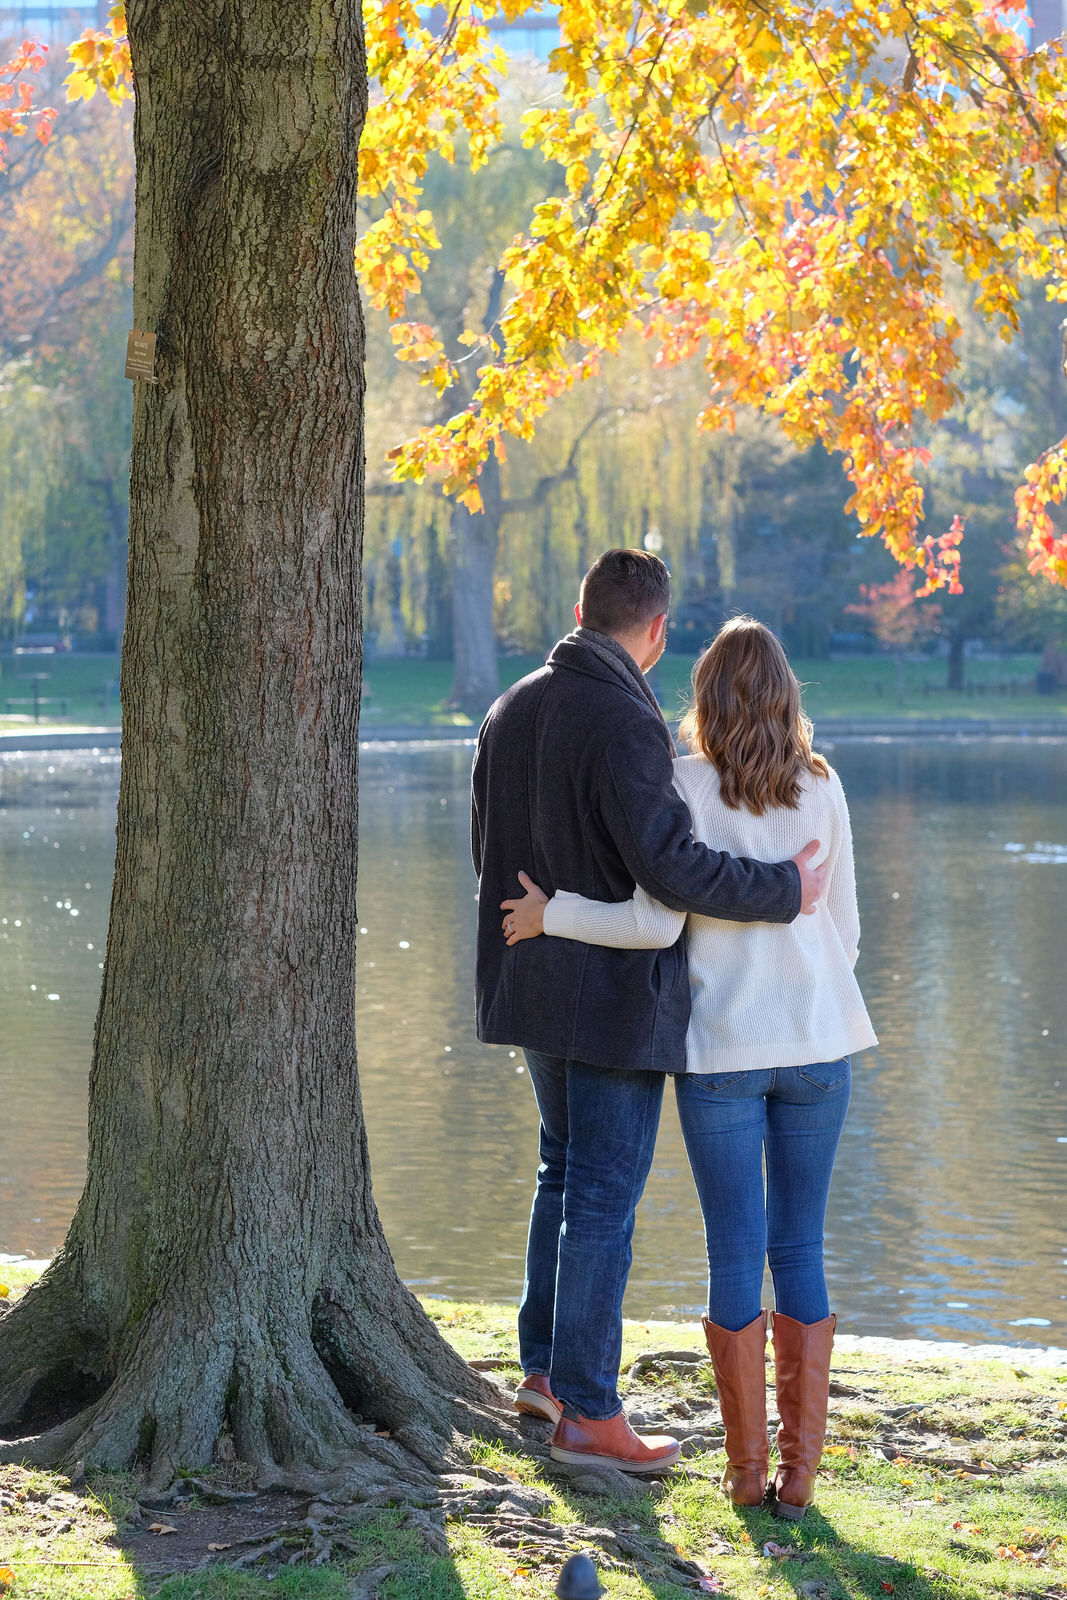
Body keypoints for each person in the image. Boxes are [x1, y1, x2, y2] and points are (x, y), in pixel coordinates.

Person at [502, 616, 877, 1517]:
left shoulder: (680, 787)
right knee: (800, 1249)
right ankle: (798, 1477)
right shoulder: (821, 785)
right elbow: (848, 935)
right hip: (822, 1044)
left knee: (735, 1250)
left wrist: (553, 914)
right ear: (788, 697)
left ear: (701, 699)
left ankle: (744, 1473)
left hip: (719, 1058)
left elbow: (657, 924)